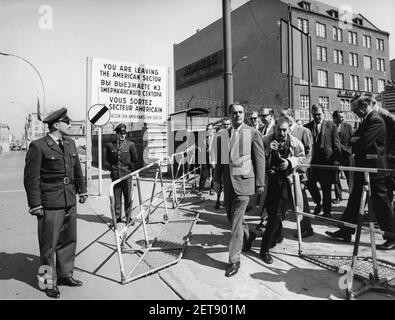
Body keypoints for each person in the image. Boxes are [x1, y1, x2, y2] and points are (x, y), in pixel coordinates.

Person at [24, 107, 88, 299]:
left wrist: (82, 189)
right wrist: (35, 204)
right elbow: (31, 178)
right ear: (55, 125)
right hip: (50, 202)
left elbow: (77, 169)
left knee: (69, 240)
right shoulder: (38, 146)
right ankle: (47, 283)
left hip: (69, 199)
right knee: (48, 245)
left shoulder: (69, 143)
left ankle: (65, 274)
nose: (70, 125)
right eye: (67, 122)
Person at [326, 94, 395, 250]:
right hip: (364, 167)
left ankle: (392, 236)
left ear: (364, 106)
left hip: (375, 168)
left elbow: (362, 142)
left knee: (381, 203)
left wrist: (355, 140)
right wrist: (355, 140)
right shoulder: (367, 119)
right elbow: (355, 139)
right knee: (355, 199)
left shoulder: (376, 120)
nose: (354, 113)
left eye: (355, 109)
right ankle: (346, 230)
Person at [213, 103, 265, 277]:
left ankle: (234, 259)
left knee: (235, 222)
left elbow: (259, 159)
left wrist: (260, 183)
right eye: (234, 113)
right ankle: (249, 237)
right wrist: (216, 180)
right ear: (229, 115)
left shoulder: (252, 133)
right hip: (228, 185)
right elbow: (220, 162)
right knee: (231, 216)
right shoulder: (222, 136)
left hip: (244, 184)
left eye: (241, 112)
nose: (238, 115)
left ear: (245, 114)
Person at [260, 116, 307, 264]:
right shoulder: (265, 140)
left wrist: (289, 162)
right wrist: (267, 151)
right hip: (269, 182)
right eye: (279, 130)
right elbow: (257, 160)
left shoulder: (294, 142)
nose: (282, 133)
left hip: (286, 183)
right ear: (274, 129)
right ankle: (277, 235)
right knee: (273, 212)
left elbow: (303, 158)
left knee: (275, 215)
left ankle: (264, 249)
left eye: (285, 130)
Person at [279, 108, 314, 238]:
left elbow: (308, 154)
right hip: (284, 174)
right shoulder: (281, 131)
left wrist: (302, 173)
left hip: (298, 174)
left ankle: (306, 227)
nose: (281, 119)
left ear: (291, 116)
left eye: (283, 116)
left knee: (301, 201)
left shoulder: (303, 131)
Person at [305, 104, 341, 218]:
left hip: (327, 163)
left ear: (324, 113)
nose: (317, 117)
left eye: (319, 114)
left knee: (326, 188)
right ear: (312, 114)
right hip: (312, 163)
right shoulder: (307, 127)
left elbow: (336, 145)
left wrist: (336, 163)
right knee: (310, 184)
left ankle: (327, 211)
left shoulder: (331, 126)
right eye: (315, 115)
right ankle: (317, 202)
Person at [106, 123, 138, 223]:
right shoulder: (110, 145)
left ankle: (128, 217)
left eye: (124, 133)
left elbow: (135, 158)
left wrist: (130, 170)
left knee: (128, 196)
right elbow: (108, 158)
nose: (123, 135)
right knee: (116, 196)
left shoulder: (130, 144)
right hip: (115, 174)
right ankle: (117, 217)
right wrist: (114, 168)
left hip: (127, 174)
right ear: (117, 134)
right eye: (120, 133)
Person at [332, 110, 353, 203]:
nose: (342, 119)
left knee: (350, 176)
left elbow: (353, 139)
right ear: (334, 118)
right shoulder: (330, 127)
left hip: (347, 155)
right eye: (340, 117)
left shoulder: (348, 127)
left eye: (343, 117)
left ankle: (352, 195)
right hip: (335, 156)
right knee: (335, 177)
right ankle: (338, 196)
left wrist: (351, 150)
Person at [212, 117, 231, 209]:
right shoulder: (219, 134)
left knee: (227, 183)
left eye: (228, 124)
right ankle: (218, 200)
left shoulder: (234, 133)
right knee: (219, 181)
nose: (226, 126)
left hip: (230, 163)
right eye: (224, 124)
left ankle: (226, 201)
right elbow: (214, 148)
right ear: (222, 125)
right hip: (220, 161)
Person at [198, 123, 215, 195]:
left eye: (210, 129)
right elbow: (199, 146)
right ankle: (201, 190)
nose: (209, 131)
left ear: (213, 130)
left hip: (214, 158)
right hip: (205, 158)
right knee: (204, 174)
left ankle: (212, 189)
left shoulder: (216, 137)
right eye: (207, 129)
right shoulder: (202, 137)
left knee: (214, 175)